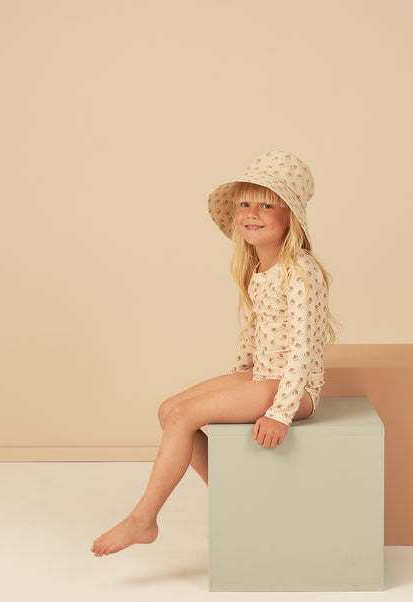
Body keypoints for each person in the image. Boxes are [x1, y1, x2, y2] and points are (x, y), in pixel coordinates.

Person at [91, 149, 341, 557]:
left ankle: (143, 519)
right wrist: (236, 377)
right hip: (264, 375)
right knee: (169, 411)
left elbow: (303, 344)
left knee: (185, 416)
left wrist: (280, 412)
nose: (252, 213)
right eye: (245, 204)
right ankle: (231, 495)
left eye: (267, 205)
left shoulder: (300, 271)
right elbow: (256, 330)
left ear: (291, 218)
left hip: (295, 389)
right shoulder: (259, 267)